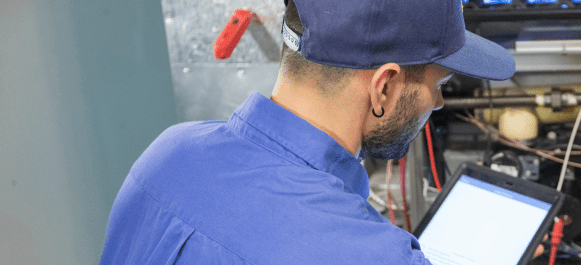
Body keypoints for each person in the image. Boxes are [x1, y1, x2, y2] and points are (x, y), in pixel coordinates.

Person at [99, 0, 514, 263]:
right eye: (437, 85)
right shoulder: (375, 256)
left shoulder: (167, 154)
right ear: (383, 86)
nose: (438, 103)